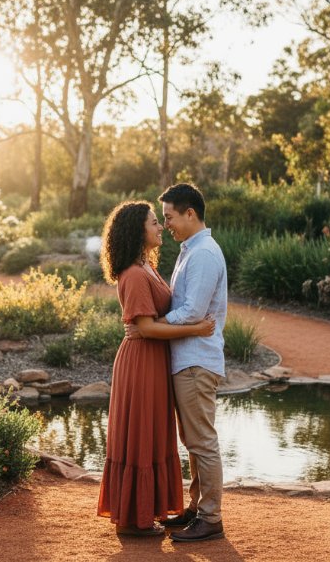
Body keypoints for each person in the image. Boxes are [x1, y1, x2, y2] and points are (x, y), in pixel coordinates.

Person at [96, 200, 216, 537]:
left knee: (151, 434)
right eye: (154, 222)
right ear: (138, 231)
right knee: (140, 435)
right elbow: (146, 328)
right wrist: (195, 329)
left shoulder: (145, 266)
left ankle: (146, 510)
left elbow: (151, 321)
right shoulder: (134, 274)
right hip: (141, 362)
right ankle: (134, 520)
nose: (160, 227)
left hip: (154, 360)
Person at [128, 183, 229, 543]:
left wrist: (151, 327)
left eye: (169, 217)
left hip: (196, 361)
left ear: (190, 213)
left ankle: (211, 517)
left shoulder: (202, 254)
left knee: (202, 441)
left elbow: (193, 312)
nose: (166, 224)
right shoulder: (191, 250)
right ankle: (197, 508)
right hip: (187, 359)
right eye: (162, 219)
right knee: (194, 440)